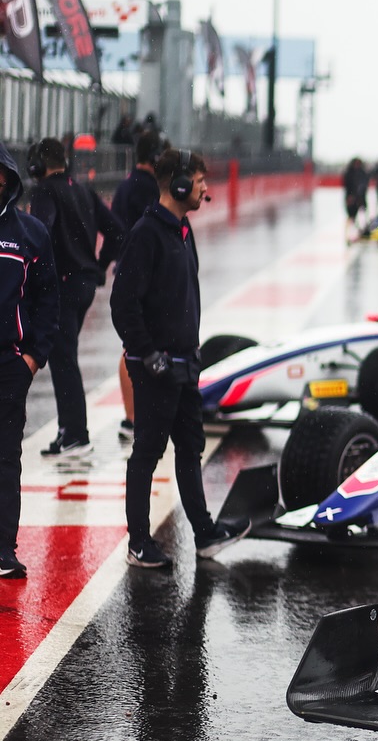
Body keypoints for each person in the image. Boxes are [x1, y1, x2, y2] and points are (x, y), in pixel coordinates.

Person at [110, 149, 249, 569]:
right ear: (180, 185)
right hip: (157, 367)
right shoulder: (147, 234)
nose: (206, 188)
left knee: (191, 448)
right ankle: (138, 543)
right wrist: (148, 354)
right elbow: (123, 302)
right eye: (200, 181)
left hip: (187, 362)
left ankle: (204, 534)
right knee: (148, 452)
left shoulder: (183, 230)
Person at [27, 137, 125, 457]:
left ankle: (75, 435)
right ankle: (71, 430)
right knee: (65, 354)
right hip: (83, 284)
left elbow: (40, 232)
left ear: (38, 165)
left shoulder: (44, 191)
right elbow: (117, 231)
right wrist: (98, 265)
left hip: (63, 285)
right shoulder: (83, 190)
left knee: (63, 358)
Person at [0, 145, 60, 579]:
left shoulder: (30, 233)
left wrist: (32, 358)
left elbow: (47, 301)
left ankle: (3, 548)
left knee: (5, 458)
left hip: (8, 365)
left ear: (6, 178)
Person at [110, 131, 163, 441]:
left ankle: (131, 416)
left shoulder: (125, 186)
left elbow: (114, 227)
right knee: (141, 346)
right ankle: (137, 417)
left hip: (126, 272)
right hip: (148, 276)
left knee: (130, 347)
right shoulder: (153, 190)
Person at [342, 158, 369, 235]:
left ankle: (360, 231)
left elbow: (364, 185)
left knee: (361, 214)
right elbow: (347, 185)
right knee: (351, 216)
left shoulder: (362, 173)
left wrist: (361, 196)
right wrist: (350, 196)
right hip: (351, 197)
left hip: (360, 197)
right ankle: (349, 233)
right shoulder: (349, 173)